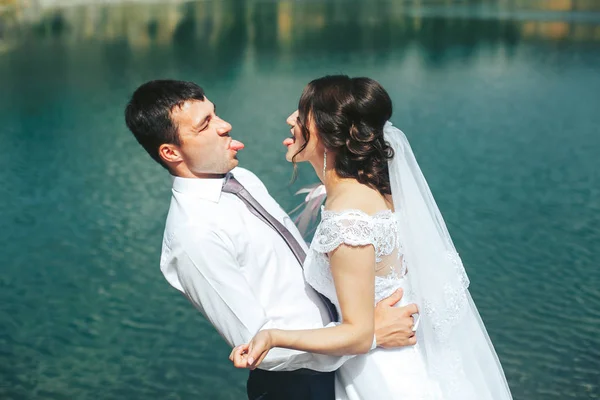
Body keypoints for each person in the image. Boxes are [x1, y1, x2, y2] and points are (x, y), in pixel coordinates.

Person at [124, 79, 420, 400]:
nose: (225, 126)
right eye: (204, 125)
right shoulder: (193, 237)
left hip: (346, 358)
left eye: (216, 114)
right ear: (170, 152)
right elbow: (259, 347)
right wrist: (370, 334)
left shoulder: (242, 178)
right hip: (297, 385)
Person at [232, 75, 513, 400]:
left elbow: (358, 332)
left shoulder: (349, 218)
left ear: (325, 134)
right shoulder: (376, 190)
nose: (290, 119)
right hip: (403, 356)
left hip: (384, 376)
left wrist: (274, 337)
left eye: (301, 112)